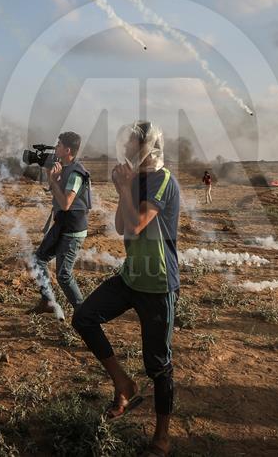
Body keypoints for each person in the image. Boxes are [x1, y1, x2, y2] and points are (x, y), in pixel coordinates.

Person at [72, 121, 180, 457]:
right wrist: (128, 187)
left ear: (149, 146)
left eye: (133, 142)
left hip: (158, 282)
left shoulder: (163, 180)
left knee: (158, 364)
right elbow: (122, 227)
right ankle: (123, 383)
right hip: (132, 276)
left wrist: (124, 188)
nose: (127, 147)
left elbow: (136, 224)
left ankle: (162, 436)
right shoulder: (140, 179)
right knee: (85, 318)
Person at [32, 132, 92, 315]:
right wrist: (52, 177)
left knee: (64, 275)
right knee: (38, 260)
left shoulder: (75, 173)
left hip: (72, 229)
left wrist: (52, 180)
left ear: (67, 150)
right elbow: (59, 197)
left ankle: (84, 314)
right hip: (62, 225)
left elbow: (66, 203)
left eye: (58, 145)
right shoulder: (65, 168)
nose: (55, 148)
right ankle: (48, 302)